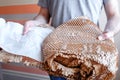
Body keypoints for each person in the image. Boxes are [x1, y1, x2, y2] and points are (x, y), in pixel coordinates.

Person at [23, 0, 120, 80]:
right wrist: (36, 22)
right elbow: (43, 15)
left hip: (91, 56)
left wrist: (109, 31)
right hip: (58, 55)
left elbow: (114, 15)